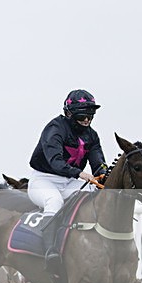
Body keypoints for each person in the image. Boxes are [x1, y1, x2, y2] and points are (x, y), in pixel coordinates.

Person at [27, 89, 107, 269]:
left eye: (90, 115)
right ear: (69, 113)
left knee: (95, 195)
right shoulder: (54, 128)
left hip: (70, 181)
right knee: (54, 201)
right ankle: (49, 251)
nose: (87, 119)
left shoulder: (92, 135)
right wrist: (79, 173)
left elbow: (98, 164)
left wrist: (106, 175)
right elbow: (55, 162)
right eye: (83, 115)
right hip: (44, 180)